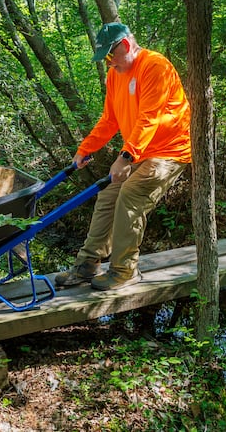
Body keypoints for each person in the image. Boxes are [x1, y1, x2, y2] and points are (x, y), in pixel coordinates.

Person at [55, 22, 192, 291]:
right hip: (140, 150)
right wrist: (85, 149)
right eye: (105, 58)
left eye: (110, 56)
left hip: (168, 151)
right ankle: (88, 264)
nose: (108, 63)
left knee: (130, 194)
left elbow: (149, 117)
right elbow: (109, 120)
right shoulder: (115, 75)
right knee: (108, 193)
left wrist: (125, 157)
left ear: (126, 46)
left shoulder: (155, 66)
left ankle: (124, 270)